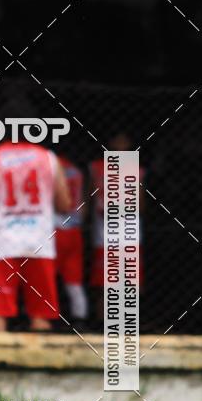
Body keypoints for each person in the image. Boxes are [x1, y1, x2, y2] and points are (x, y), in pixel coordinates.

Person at [0, 138, 71, 331]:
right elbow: (64, 203)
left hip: (3, 243)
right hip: (39, 242)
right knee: (41, 317)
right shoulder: (48, 158)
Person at [89, 131, 144, 324]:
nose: (121, 144)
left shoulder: (136, 169)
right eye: (117, 139)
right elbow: (89, 199)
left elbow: (141, 203)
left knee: (129, 281)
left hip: (130, 233)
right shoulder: (96, 167)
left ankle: (126, 322)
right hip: (104, 234)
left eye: (124, 140)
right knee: (103, 283)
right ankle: (102, 322)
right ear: (110, 142)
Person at [54, 154, 88, 327]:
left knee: (47, 275)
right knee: (74, 277)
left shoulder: (50, 166)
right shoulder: (76, 171)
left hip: (55, 228)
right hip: (75, 229)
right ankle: (79, 317)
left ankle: (47, 316)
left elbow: (60, 203)